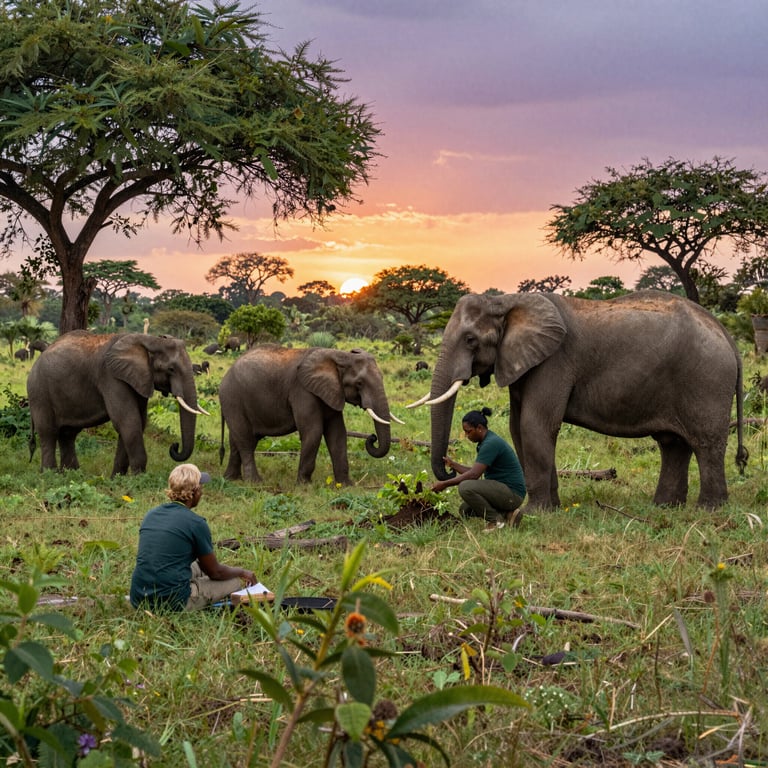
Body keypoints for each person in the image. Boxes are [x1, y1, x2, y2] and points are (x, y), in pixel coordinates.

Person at [130, 464, 256, 611]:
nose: (202, 492)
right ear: (195, 492)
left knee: (197, 566)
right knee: (233, 582)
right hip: (172, 602)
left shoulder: (151, 514)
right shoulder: (196, 523)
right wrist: (242, 572)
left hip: (138, 597)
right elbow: (215, 572)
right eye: (201, 488)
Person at [431, 407, 526, 530]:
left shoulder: (491, 443)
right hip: (502, 490)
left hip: (513, 493)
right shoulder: (486, 441)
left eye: (468, 431)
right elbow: (475, 471)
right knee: (465, 510)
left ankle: (496, 521)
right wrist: (453, 464)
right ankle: (508, 514)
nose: (466, 435)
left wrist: (445, 484)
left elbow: (474, 475)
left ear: (479, 428)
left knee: (465, 487)